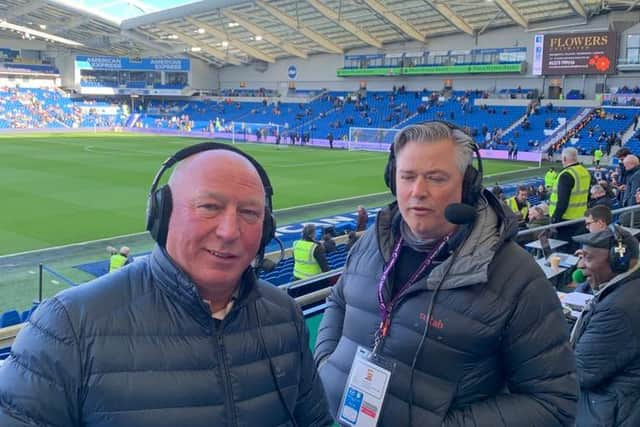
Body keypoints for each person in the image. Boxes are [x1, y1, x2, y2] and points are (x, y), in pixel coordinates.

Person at [0, 143, 332, 427]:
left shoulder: (284, 316)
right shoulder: (67, 327)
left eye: (249, 213)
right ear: (162, 214)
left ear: (267, 227)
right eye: (209, 207)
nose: (230, 231)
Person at [314, 121, 577, 426]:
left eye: (436, 178)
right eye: (407, 177)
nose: (417, 191)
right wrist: (326, 364)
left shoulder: (517, 277)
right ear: (392, 179)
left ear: (467, 187)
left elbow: (554, 404)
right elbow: (338, 299)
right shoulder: (374, 240)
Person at [570, 227, 640, 426]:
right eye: (580, 256)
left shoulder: (618, 308)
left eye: (588, 258)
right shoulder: (627, 287)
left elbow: (579, 373)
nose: (580, 266)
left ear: (620, 261)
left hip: (612, 409)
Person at [549, 147, 591, 250]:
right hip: (581, 217)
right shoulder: (584, 172)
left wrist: (554, 220)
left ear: (564, 158)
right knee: (574, 249)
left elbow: (562, 202)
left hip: (566, 221)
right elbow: (588, 195)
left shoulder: (566, 174)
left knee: (563, 251)